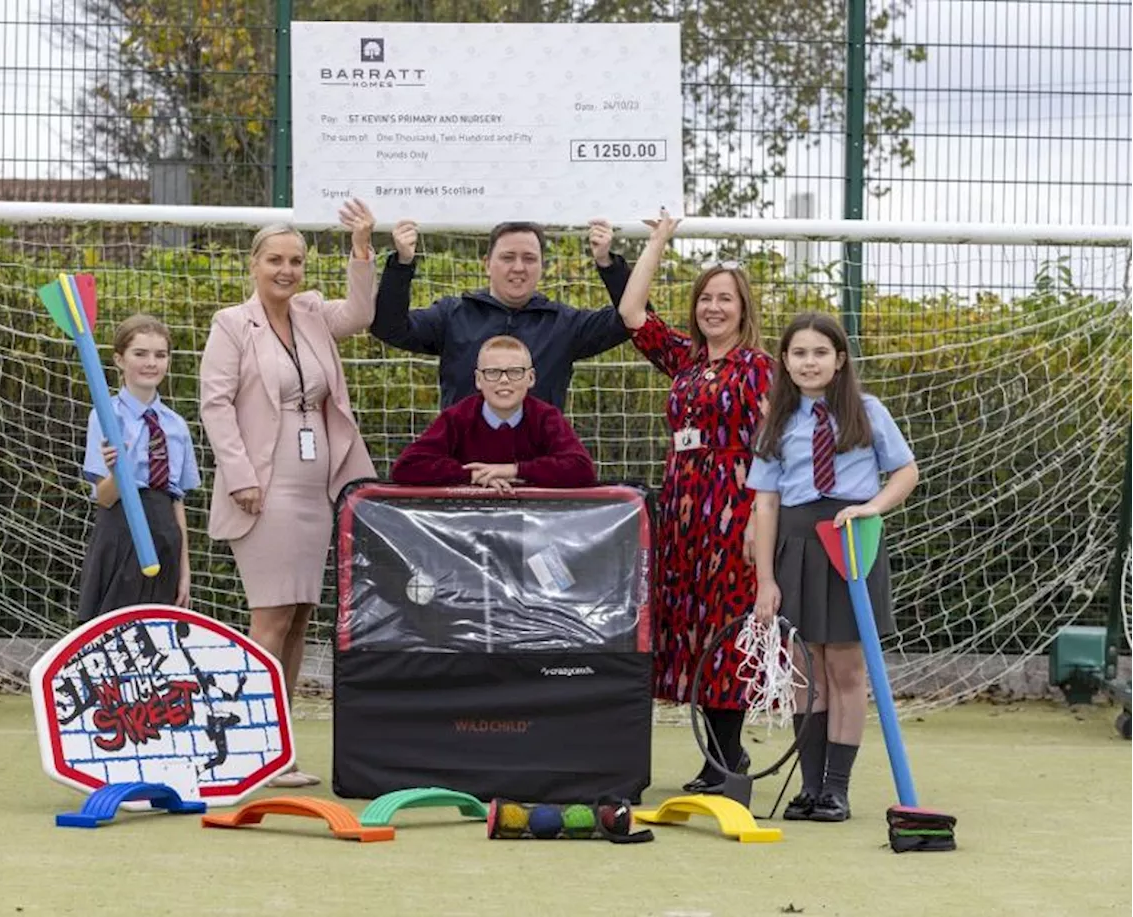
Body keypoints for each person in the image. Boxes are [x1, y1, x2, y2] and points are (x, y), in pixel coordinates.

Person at [199, 199, 379, 788]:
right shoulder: (231, 323)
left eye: (296, 261)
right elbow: (216, 404)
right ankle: (251, 748)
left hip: (315, 491)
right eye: (275, 260)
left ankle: (278, 746)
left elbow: (359, 312)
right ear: (253, 265)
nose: (286, 270)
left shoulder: (309, 312)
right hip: (265, 488)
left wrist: (360, 247)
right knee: (271, 617)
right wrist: (240, 475)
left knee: (300, 616)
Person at [618, 210, 773, 794]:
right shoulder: (684, 359)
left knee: (724, 636)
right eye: (705, 298)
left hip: (734, 515)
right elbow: (632, 313)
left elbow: (773, 452)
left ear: (743, 308)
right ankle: (716, 761)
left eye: (725, 299)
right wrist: (658, 240)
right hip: (683, 516)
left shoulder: (760, 370)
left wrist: (759, 523)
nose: (713, 307)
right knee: (691, 634)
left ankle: (731, 765)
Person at [749, 312, 919, 822]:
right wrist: (765, 579)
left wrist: (871, 507)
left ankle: (837, 791)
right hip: (797, 546)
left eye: (820, 352)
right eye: (799, 353)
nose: (809, 362)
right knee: (805, 670)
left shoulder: (867, 412)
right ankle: (810, 786)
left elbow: (906, 471)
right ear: (785, 361)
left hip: (849, 544)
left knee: (845, 667)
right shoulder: (777, 422)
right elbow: (766, 505)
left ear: (839, 359)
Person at [370, 218, 647, 409]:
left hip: (538, 472)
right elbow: (389, 328)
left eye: (529, 259)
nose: (518, 267)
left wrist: (607, 264)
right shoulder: (453, 315)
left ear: (541, 266)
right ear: (487, 264)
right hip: (464, 469)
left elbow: (636, 321)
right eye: (507, 257)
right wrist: (402, 263)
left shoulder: (563, 324)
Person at [79, 314, 200, 620]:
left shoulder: (175, 425)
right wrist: (123, 465)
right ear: (120, 360)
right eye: (140, 353)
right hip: (120, 535)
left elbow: (177, 501)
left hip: (164, 539)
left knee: (158, 641)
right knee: (113, 638)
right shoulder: (106, 418)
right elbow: (104, 498)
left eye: (160, 355)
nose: (151, 363)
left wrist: (184, 570)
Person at [390, 335, 597, 490]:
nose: (504, 380)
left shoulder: (546, 418)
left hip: (535, 522)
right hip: (466, 523)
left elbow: (582, 469)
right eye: (492, 372)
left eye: (515, 372)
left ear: (531, 378)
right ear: (478, 380)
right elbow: (407, 466)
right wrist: (474, 475)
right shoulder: (457, 418)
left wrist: (514, 470)